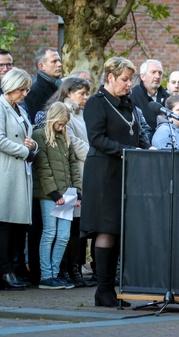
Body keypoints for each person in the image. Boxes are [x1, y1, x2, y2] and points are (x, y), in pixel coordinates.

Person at [80, 57, 153, 307]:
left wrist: (148, 148)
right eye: (124, 79)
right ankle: (103, 290)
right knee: (107, 228)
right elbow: (97, 139)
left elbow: (137, 134)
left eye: (130, 79)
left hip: (127, 172)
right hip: (103, 173)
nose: (128, 84)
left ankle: (113, 289)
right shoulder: (95, 103)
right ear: (110, 77)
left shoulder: (128, 104)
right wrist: (126, 151)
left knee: (120, 230)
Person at [41, 78, 96, 288]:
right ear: (69, 92)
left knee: (73, 229)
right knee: (57, 231)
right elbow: (74, 145)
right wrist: (96, 152)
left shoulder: (79, 114)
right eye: (81, 93)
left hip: (78, 176)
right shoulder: (64, 114)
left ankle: (72, 270)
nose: (85, 98)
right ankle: (59, 271)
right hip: (63, 183)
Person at [32, 102, 81, 290]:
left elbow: (73, 165)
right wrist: (54, 193)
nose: (61, 127)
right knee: (50, 233)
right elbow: (43, 168)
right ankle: (46, 275)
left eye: (64, 124)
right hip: (49, 195)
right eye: (59, 124)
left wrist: (77, 191)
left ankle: (55, 273)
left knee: (63, 236)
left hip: (67, 194)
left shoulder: (64, 138)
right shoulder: (40, 135)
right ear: (53, 119)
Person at [0, 68, 36, 290]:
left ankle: (12, 269)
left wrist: (33, 146)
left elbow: (28, 137)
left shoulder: (19, 110)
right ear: (11, 87)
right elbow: (0, 140)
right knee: (4, 224)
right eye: (22, 89)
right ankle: (5, 271)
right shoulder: (1, 107)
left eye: (26, 89)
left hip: (20, 172)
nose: (25, 94)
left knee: (15, 226)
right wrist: (26, 152)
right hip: (6, 172)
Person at [129, 59, 170, 136]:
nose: (157, 76)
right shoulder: (132, 96)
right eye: (153, 72)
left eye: (160, 73)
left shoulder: (167, 98)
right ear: (143, 76)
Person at [24, 47, 63, 123]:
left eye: (59, 61)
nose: (59, 64)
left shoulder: (61, 86)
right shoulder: (34, 92)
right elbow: (37, 124)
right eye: (54, 61)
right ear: (41, 66)